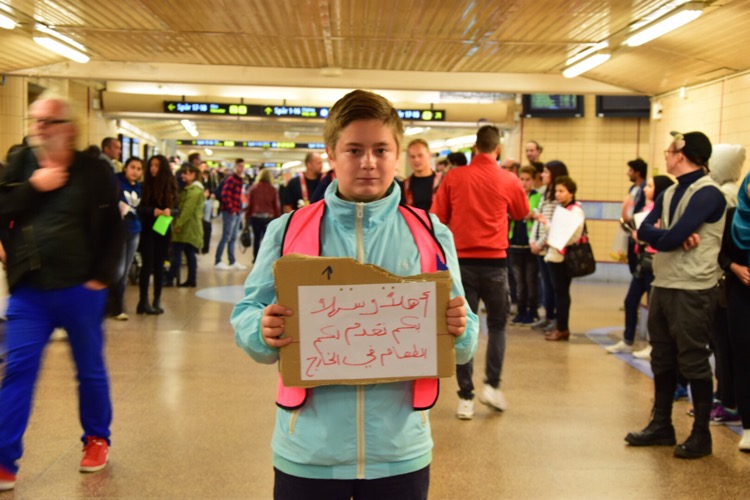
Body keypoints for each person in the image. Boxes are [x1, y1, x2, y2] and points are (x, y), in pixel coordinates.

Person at [231, 89, 478, 499]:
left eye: (381, 150)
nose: (368, 162)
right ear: (331, 154)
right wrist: (261, 328)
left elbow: (465, 337)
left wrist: (460, 329)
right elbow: (247, 313)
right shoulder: (287, 230)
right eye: (354, 150)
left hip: (399, 451)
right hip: (307, 450)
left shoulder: (431, 233)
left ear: (397, 155)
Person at [0, 93, 123, 491]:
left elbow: (114, 228)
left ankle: (97, 438)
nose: (38, 128)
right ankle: (3, 459)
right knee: (18, 369)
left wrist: (102, 277)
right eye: (34, 120)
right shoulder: (21, 163)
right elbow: (3, 207)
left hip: (81, 288)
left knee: (89, 369)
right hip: (30, 291)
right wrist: (34, 187)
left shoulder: (93, 170)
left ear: (68, 128)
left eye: (47, 121)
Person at [625, 131, 726, 460]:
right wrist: (669, 235)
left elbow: (662, 238)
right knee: (662, 358)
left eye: (669, 151)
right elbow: (643, 229)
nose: (666, 156)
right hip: (664, 283)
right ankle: (662, 425)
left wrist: (665, 235)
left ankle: (701, 435)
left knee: (693, 361)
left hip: (693, 288)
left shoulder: (708, 194)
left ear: (681, 155)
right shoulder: (669, 192)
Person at [431, 125, 529, 419]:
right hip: (496, 263)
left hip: (462, 264)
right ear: (497, 149)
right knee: (497, 325)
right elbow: (522, 213)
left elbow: (438, 217)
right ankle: (492, 386)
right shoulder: (509, 179)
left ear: (475, 148)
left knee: (464, 328)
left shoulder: (454, 177)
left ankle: (466, 398)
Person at [608, 175, 675, 354]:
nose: (645, 189)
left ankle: (654, 346)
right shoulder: (646, 208)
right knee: (630, 301)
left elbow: (661, 235)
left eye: (650, 186)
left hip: (654, 261)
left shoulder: (664, 211)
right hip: (641, 261)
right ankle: (627, 340)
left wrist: (645, 236)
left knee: (654, 307)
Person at [536, 176, 585, 341]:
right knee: (558, 292)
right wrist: (546, 224)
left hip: (562, 257)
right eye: (556, 191)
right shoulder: (562, 208)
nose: (557, 194)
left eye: (561, 191)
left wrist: (549, 228)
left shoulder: (575, 210)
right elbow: (556, 231)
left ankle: (562, 328)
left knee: (561, 293)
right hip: (555, 255)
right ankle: (560, 326)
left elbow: (571, 235)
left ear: (571, 193)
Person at [529, 161, 569, 332]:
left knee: (554, 286)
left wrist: (539, 244)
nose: (542, 175)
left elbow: (552, 226)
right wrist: (532, 241)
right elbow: (538, 220)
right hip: (539, 246)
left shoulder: (556, 199)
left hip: (549, 248)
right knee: (546, 284)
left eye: (546, 172)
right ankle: (548, 316)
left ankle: (554, 318)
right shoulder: (545, 194)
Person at [726, 172, 750, 450]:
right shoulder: (733, 216)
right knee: (743, 359)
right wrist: (735, 267)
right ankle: (748, 427)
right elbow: (720, 253)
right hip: (740, 296)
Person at [137, 154, 179, 315]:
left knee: (159, 265)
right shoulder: (144, 186)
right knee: (147, 265)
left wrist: (170, 211)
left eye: (157, 166)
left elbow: (177, 209)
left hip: (163, 229)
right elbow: (139, 208)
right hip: (147, 229)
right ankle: (143, 301)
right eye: (151, 165)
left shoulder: (170, 186)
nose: (153, 169)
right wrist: (153, 211)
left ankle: (156, 299)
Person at [110, 157, 144, 320]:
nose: (135, 171)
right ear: (125, 168)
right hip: (118, 230)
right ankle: (107, 302)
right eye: (132, 167)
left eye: (138, 169)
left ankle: (118, 307)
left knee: (125, 272)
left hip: (134, 231)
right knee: (118, 270)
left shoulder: (140, 187)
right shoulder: (116, 181)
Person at [509, 165, 542, 325]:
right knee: (519, 281)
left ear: (534, 180)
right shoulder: (514, 195)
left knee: (531, 280)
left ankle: (532, 311)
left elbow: (536, 214)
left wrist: (532, 214)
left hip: (530, 244)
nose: (524, 183)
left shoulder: (538, 196)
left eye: (528, 179)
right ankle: (521, 310)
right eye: (521, 179)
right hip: (515, 242)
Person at [167, 163, 204, 287]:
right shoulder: (191, 189)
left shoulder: (194, 191)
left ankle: (170, 278)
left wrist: (178, 225)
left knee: (178, 253)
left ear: (193, 174)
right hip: (190, 227)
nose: (183, 176)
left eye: (185, 173)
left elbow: (187, 210)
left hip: (187, 227)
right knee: (189, 253)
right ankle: (191, 279)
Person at [214, 158, 248, 270]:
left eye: (242, 166)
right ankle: (218, 260)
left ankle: (232, 261)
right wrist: (231, 209)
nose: (241, 168)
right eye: (239, 166)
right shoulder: (231, 179)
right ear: (235, 166)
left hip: (237, 211)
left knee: (233, 237)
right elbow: (225, 195)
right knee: (226, 236)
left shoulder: (240, 180)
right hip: (229, 212)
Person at [245, 167, 280, 262]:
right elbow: (276, 206)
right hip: (268, 218)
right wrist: (278, 219)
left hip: (255, 217)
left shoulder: (253, 188)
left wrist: (246, 218)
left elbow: (249, 205)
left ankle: (256, 258)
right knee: (267, 239)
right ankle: (265, 259)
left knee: (256, 238)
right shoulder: (273, 189)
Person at [403, 138, 441, 211]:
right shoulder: (404, 186)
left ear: (429, 155)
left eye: (420, 155)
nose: (416, 160)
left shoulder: (442, 182)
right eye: (412, 156)